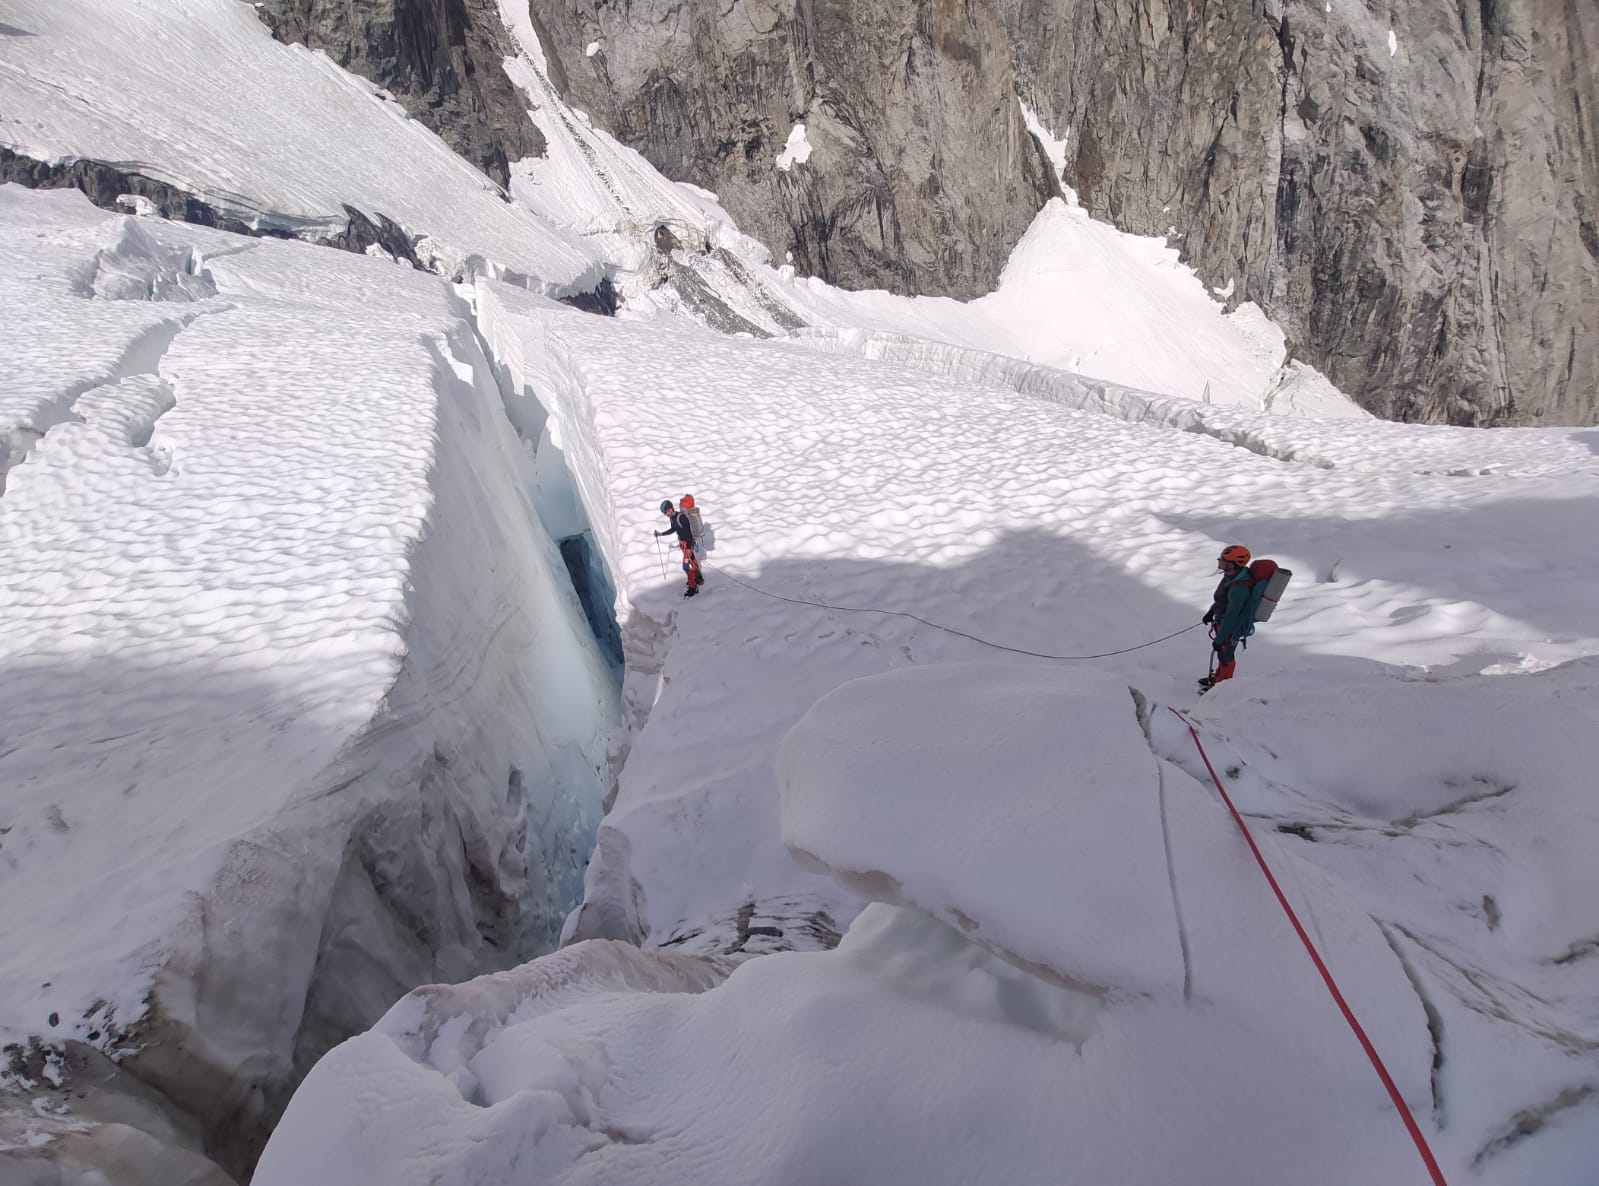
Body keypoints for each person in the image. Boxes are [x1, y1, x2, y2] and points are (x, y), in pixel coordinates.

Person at [1200, 544, 1252, 688]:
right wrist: (1211, 612)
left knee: (1226, 656)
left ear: (1233, 564)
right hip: (1222, 621)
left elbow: (1231, 616)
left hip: (1230, 627)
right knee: (1223, 654)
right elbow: (1221, 601)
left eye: (1223, 561)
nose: (1220, 563)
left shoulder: (1239, 589)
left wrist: (1220, 638)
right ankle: (1218, 679)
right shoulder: (1231, 578)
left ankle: (1222, 687)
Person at [654, 499, 704, 597]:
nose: (667, 513)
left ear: (671, 508)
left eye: (668, 510)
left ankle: (693, 587)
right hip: (683, 544)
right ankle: (698, 578)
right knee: (692, 560)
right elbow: (673, 528)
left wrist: (689, 548)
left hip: (687, 544)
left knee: (685, 566)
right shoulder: (672, 518)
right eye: (665, 512)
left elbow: (689, 534)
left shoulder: (681, 518)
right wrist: (661, 534)